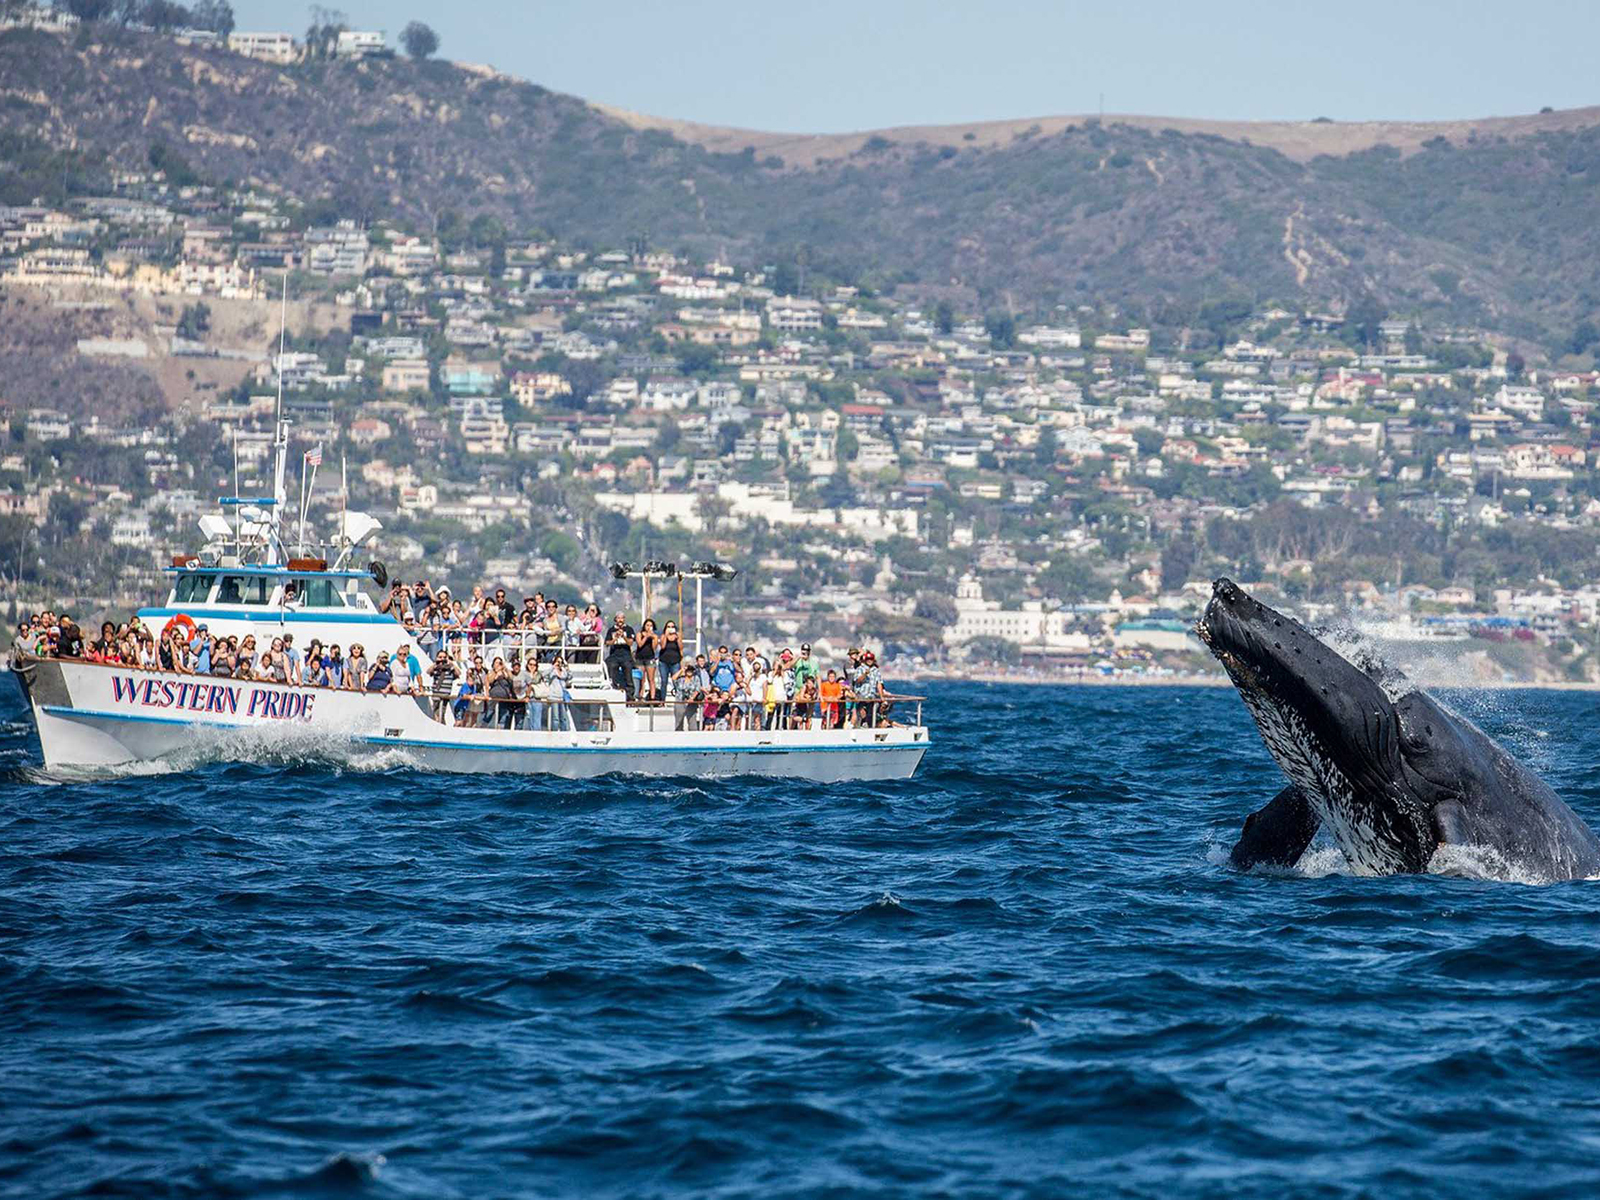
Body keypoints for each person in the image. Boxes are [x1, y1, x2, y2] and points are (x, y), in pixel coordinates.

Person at [604, 613, 635, 697]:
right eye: (618, 618)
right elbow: (607, 643)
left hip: (625, 655)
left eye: (622, 618)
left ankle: (629, 695)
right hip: (614, 655)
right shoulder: (611, 630)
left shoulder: (629, 629)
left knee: (628, 670)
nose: (620, 620)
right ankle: (613, 689)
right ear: (615, 619)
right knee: (611, 667)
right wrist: (615, 638)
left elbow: (630, 643)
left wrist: (623, 637)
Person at [427, 650, 459, 722]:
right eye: (440, 657)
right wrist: (436, 663)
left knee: (441, 714)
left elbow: (458, 673)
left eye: (444, 657)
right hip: (436, 693)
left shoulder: (450, 668)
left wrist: (451, 664)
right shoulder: (436, 668)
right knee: (436, 714)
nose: (442, 659)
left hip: (445, 695)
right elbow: (428, 671)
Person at [657, 621, 684, 700]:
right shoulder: (663, 636)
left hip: (675, 661)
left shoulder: (677, 636)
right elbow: (662, 646)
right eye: (669, 627)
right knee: (664, 681)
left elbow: (681, 647)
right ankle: (662, 700)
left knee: (676, 682)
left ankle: (679, 699)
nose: (670, 629)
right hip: (664, 662)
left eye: (672, 627)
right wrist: (666, 635)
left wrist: (678, 638)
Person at [634, 618, 659, 702]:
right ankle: (640, 696)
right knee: (641, 678)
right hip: (640, 658)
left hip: (650, 658)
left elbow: (654, 648)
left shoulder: (654, 636)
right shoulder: (639, 634)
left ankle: (652, 697)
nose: (649, 627)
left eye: (651, 625)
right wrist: (646, 637)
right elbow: (640, 644)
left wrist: (652, 638)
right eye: (647, 625)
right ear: (644, 626)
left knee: (651, 679)